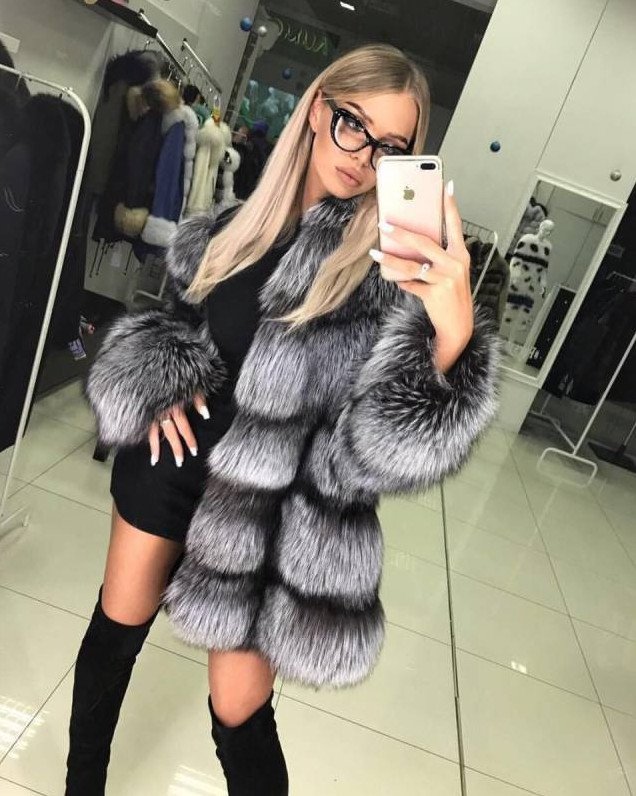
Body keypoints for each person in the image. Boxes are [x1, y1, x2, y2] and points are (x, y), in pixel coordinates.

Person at [66, 43, 499, 795]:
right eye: (353, 125)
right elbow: (175, 321)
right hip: (172, 467)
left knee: (240, 712)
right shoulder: (232, 227)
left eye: (391, 146)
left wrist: (453, 335)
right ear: (319, 111)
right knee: (114, 637)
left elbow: (376, 452)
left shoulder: (390, 281)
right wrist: (157, 380)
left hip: (274, 517)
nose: (363, 157)